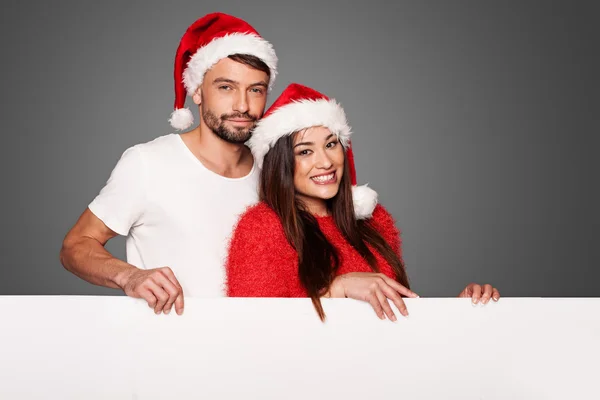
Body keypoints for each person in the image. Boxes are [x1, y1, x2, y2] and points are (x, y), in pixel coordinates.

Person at [59, 13, 278, 316]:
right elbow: (75, 245)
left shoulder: (275, 170)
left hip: (259, 349)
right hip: (169, 354)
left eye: (256, 89)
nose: (242, 105)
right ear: (197, 91)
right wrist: (130, 276)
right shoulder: (148, 163)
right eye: (226, 87)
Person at [225, 83, 501, 321]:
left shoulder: (374, 221)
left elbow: (397, 318)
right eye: (305, 151)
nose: (325, 162)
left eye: (331, 145)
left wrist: (461, 310)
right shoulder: (260, 229)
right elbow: (256, 329)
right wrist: (337, 289)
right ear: (281, 164)